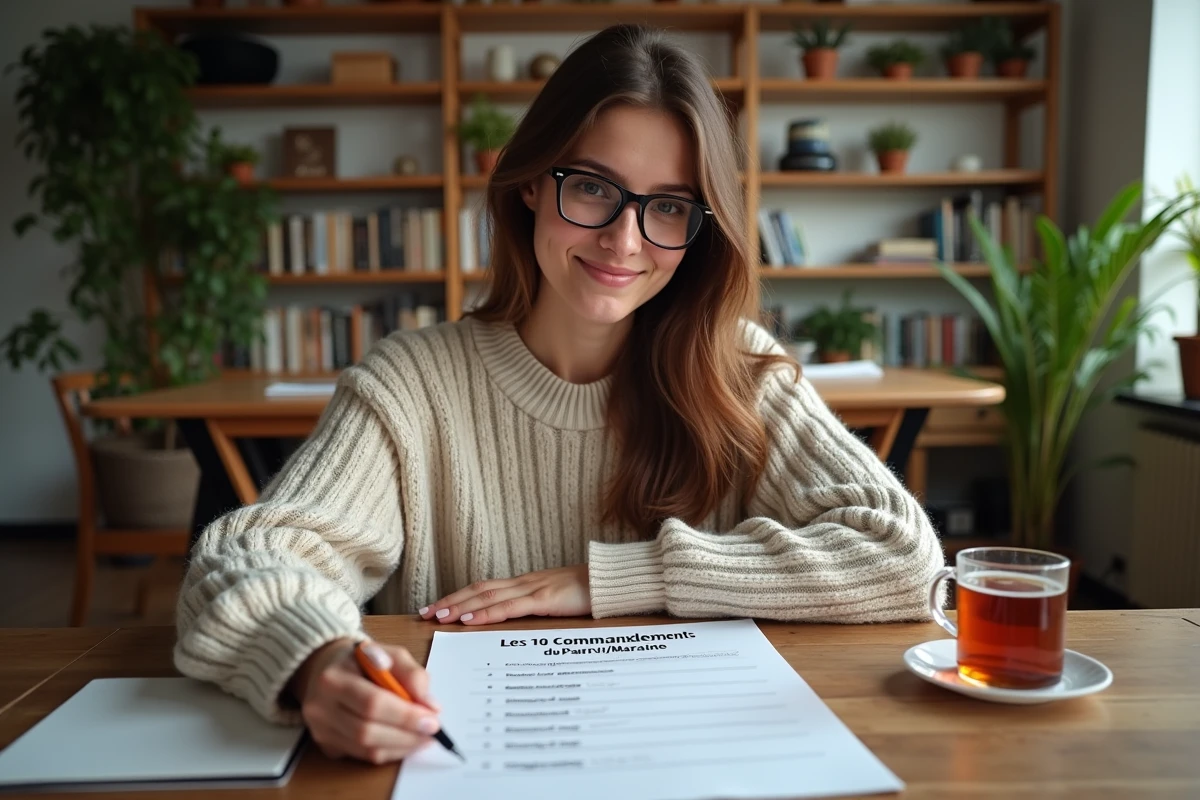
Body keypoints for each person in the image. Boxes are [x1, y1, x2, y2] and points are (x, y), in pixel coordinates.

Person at [174, 23, 944, 765]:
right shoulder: (411, 383)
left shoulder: (739, 370)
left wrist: (611, 579)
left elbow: (902, 555)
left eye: (668, 206)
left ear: (700, 229)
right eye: (594, 188)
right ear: (533, 186)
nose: (625, 240)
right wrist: (318, 660)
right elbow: (241, 561)